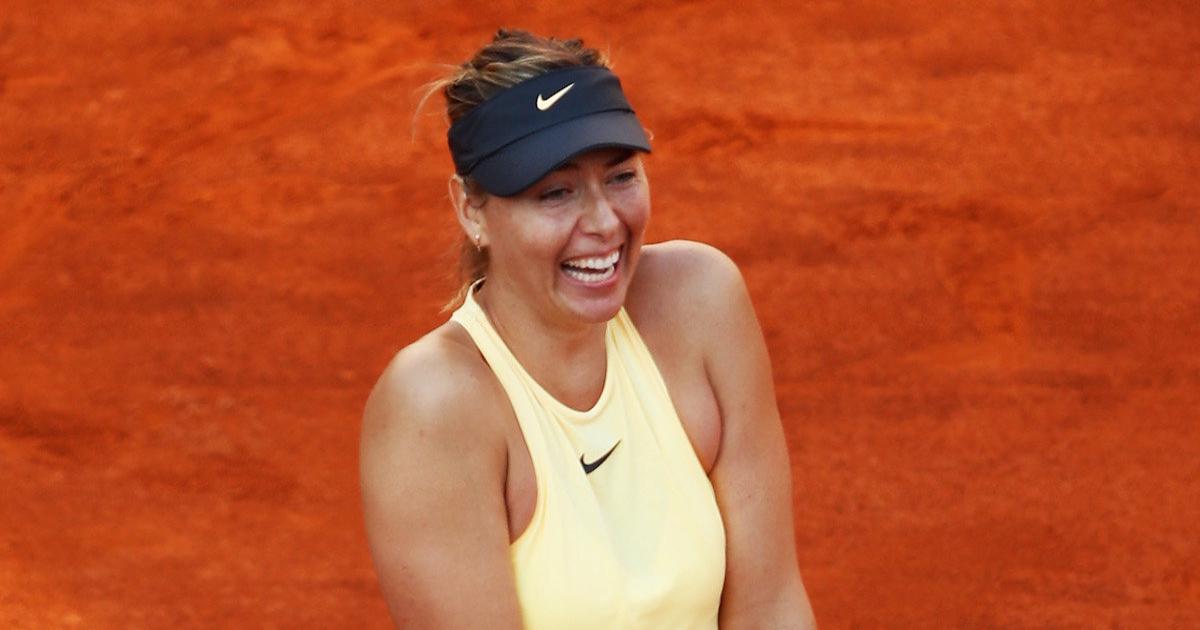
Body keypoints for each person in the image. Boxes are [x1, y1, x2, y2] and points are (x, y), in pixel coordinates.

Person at [359, 29, 816, 629]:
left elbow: (771, 606)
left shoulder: (701, 303)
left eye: (621, 176)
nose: (604, 222)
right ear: (472, 210)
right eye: (556, 193)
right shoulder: (435, 405)